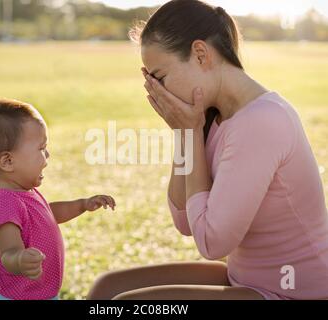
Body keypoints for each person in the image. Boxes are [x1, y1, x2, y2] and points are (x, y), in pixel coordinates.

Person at [87, 0, 328, 300]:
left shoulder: (262, 121)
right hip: (245, 279)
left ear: (200, 54)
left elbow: (212, 244)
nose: (157, 92)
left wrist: (189, 132)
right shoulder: (210, 117)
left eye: (159, 78)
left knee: (127, 306)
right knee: (106, 290)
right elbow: (185, 221)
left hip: (295, 293)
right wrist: (184, 134)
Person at [0, 99, 116, 300]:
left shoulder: (21, 193)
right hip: (17, 296)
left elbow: (46, 215)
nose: (47, 155)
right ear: (8, 161)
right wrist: (20, 258)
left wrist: (82, 204)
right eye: (41, 148)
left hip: (35, 293)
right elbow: (9, 252)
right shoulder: (2, 202)